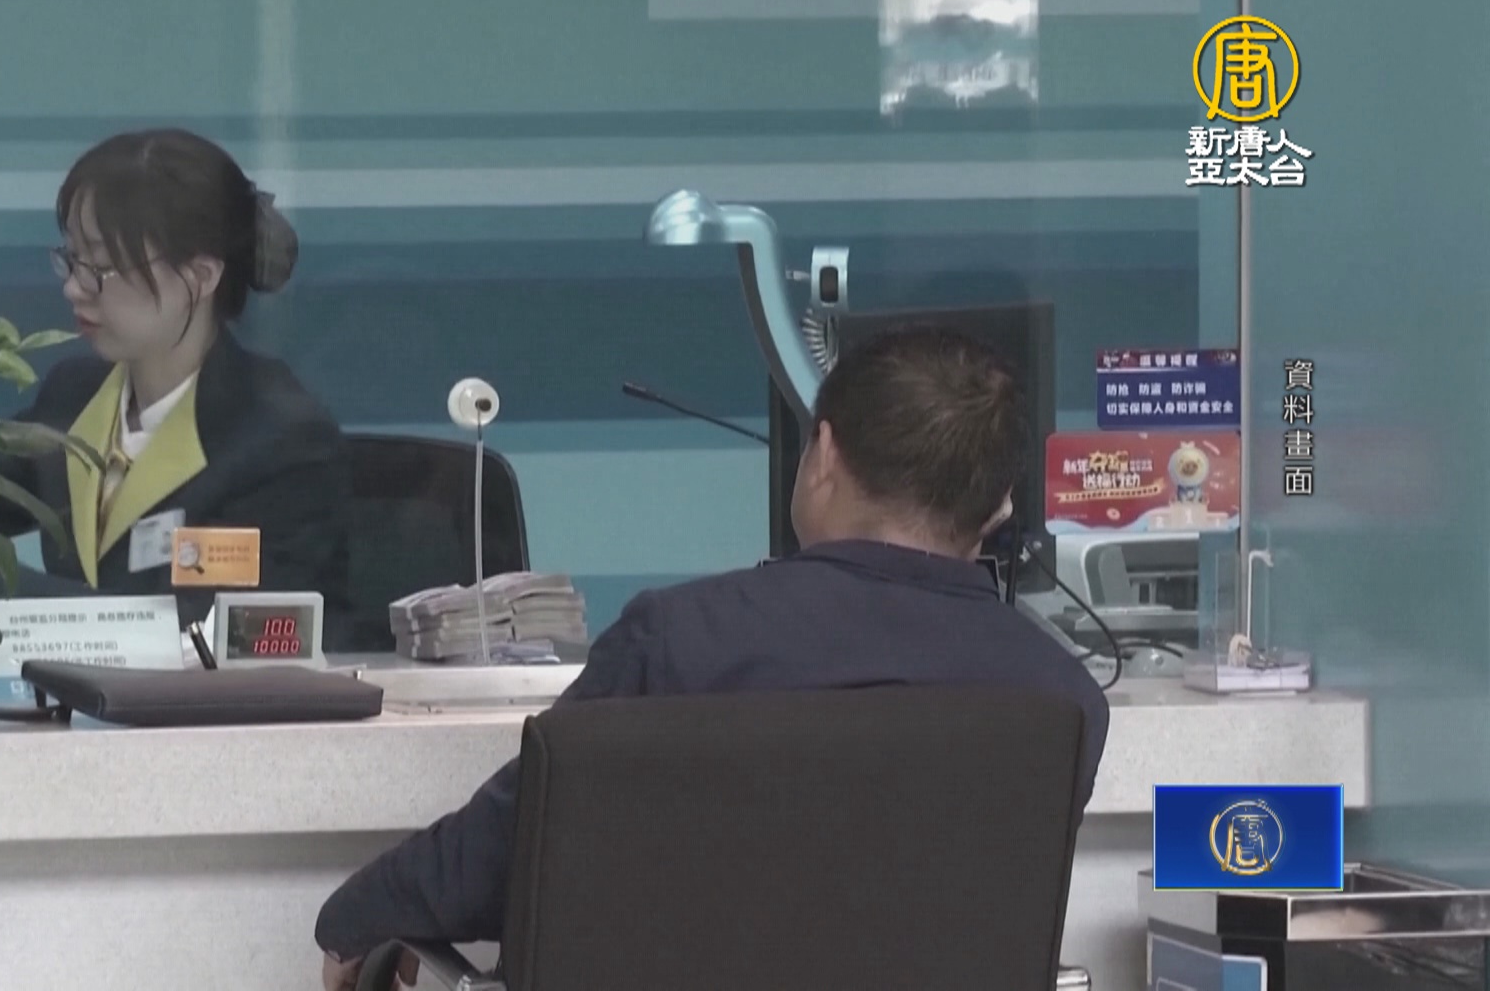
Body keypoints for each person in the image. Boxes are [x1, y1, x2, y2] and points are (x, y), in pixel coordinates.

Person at [312, 325, 1109, 989]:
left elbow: (493, 868)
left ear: (824, 454)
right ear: (999, 506)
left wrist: (355, 920)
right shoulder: (1062, 701)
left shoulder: (683, 644)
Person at [0, 129, 351, 635]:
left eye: (101, 267)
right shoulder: (75, 396)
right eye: (72, 259)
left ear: (200, 277)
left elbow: (200, 633)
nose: (73, 287)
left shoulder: (281, 440)